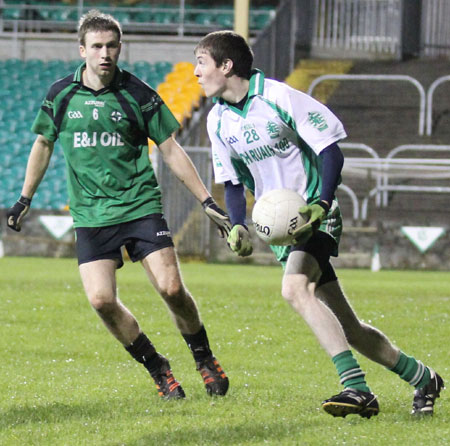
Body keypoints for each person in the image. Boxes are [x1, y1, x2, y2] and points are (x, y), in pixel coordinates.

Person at [193, 30, 444, 418]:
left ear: (226, 66)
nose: (195, 72)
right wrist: (238, 224)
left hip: (314, 215)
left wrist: (321, 202)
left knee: (295, 289)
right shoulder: (217, 120)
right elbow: (232, 182)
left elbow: (330, 151)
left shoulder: (278, 97)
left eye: (201, 62)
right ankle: (423, 377)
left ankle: (356, 388)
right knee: (350, 328)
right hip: (280, 231)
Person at [6, 10, 231, 400]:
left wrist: (208, 200)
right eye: (97, 46)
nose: (105, 53)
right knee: (100, 299)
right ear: (83, 50)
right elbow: (42, 144)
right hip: (91, 214)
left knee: (172, 288)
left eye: (111, 46)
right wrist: (25, 198)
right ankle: (158, 368)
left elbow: (171, 150)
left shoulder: (139, 94)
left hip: (140, 205)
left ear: (120, 48)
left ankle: (204, 357)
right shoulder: (61, 94)